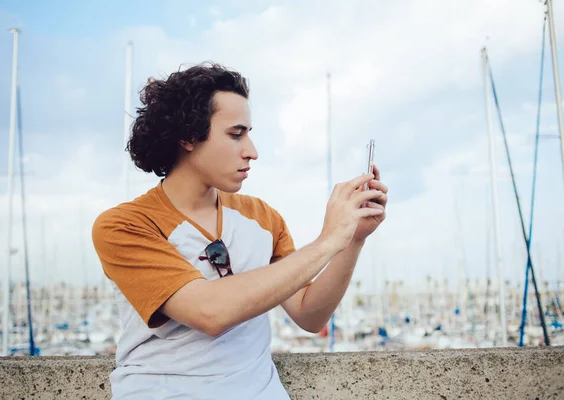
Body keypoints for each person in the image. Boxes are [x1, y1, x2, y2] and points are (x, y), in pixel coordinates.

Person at [92, 62, 388, 399]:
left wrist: (351, 239)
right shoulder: (124, 225)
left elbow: (310, 314)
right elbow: (210, 313)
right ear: (188, 136)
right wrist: (328, 240)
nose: (252, 151)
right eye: (236, 134)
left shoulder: (262, 217)